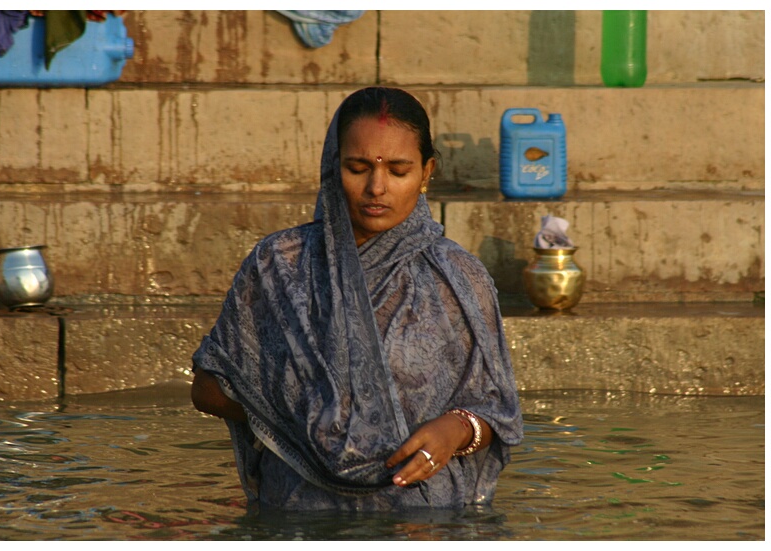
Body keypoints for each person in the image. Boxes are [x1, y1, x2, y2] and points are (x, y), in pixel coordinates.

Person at [191, 86, 523, 511]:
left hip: (424, 521)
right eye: (357, 167)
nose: (376, 187)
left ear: (426, 173)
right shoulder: (279, 266)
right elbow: (207, 387)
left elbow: (499, 410)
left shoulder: (457, 278)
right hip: (300, 518)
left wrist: (455, 430)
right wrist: (306, 412)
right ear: (333, 167)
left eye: (399, 170)